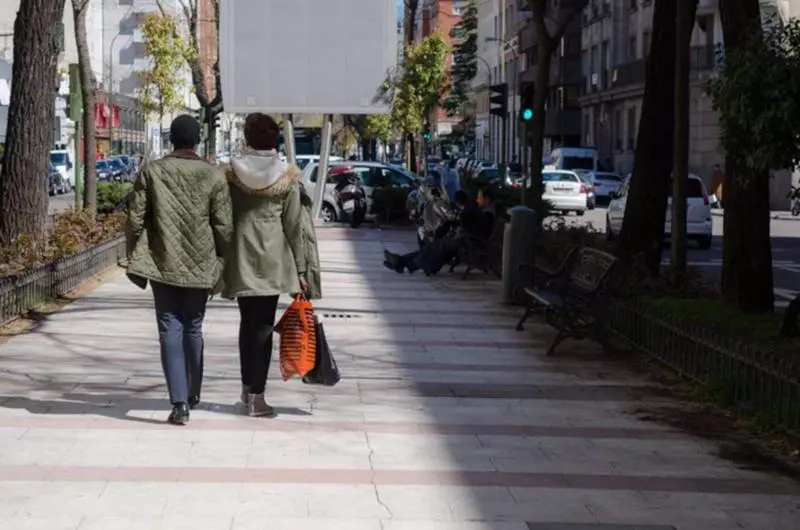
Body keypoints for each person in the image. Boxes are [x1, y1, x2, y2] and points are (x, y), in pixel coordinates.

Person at [125, 115, 233, 426]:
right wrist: (222, 258)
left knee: (169, 328)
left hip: (163, 260)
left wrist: (136, 251)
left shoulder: (153, 172)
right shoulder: (213, 175)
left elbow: (135, 218)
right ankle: (194, 390)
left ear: (172, 139)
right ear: (197, 140)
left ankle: (179, 402)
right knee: (194, 327)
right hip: (201, 261)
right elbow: (224, 225)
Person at [222, 113, 307, 418]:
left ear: (247, 138)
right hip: (274, 257)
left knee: (247, 325)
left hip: (241, 254)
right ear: (275, 140)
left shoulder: (231, 173)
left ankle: (246, 392)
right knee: (264, 326)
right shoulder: (286, 175)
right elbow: (296, 226)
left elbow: (221, 216)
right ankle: (258, 397)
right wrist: (302, 268)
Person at [384, 187, 496, 275]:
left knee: (434, 249)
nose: (477, 200)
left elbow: (479, 233)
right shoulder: (485, 212)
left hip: (469, 244)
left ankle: (401, 262)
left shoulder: (487, 214)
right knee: (431, 249)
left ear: (487, 199)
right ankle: (401, 262)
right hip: (466, 241)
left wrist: (461, 233)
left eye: (480, 198)